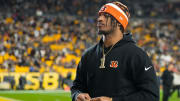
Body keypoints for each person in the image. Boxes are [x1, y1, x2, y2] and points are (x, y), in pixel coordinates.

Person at [71, 1, 159, 101]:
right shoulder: (88, 55)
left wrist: (113, 100)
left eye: (106, 16)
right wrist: (77, 95)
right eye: (99, 15)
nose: (99, 19)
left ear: (119, 21)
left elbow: (152, 96)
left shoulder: (136, 55)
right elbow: (77, 86)